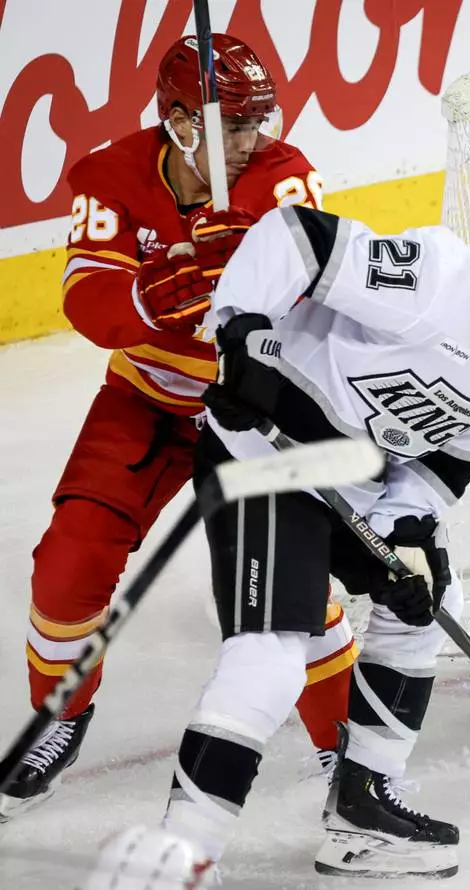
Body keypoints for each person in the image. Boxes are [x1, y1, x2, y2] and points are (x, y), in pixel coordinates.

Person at [85, 189, 470, 885]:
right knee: (270, 659)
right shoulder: (433, 277)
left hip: (350, 484)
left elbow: (443, 465)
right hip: (266, 459)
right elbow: (295, 237)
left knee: (431, 601)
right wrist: (241, 333)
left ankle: (362, 806)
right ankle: (183, 852)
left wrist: (409, 532)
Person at [1, 34, 356, 822]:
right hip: (148, 402)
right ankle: (60, 715)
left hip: (254, 412)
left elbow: (320, 301)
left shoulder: (284, 176)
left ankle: (347, 749)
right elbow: (89, 307)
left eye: (258, 122)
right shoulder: (110, 176)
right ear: (180, 121)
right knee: (68, 563)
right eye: (234, 124)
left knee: (293, 591)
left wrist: (253, 267)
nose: (251, 139)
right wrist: (157, 291)